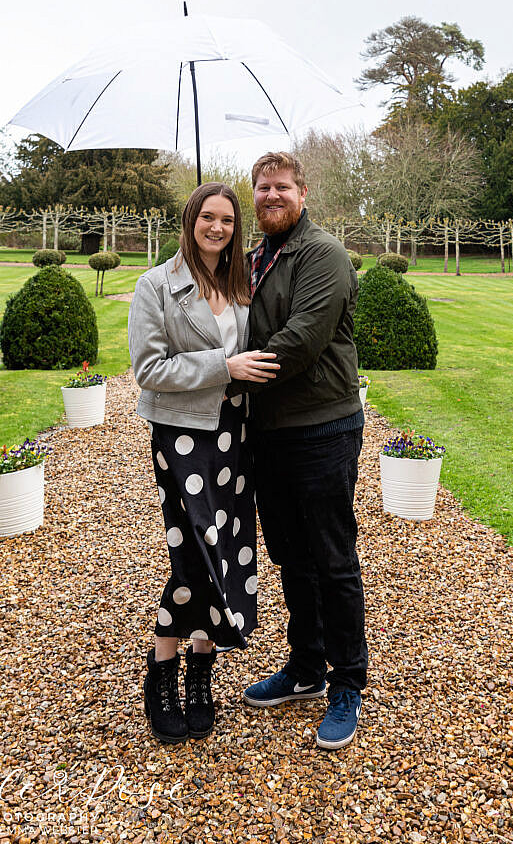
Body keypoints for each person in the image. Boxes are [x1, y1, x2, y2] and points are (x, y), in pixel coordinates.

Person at [128, 182, 279, 744]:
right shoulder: (157, 286)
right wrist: (225, 366)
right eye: (208, 218)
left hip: (234, 436)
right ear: (190, 220)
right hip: (184, 436)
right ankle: (163, 675)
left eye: (227, 220)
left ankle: (201, 673)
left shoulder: (240, 282)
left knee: (226, 551)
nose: (218, 228)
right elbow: (149, 370)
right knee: (192, 553)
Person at [226, 151, 367, 751]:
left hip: (322, 428)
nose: (271, 196)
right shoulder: (256, 257)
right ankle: (306, 668)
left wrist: (224, 374)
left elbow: (302, 340)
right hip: (268, 432)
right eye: (262, 188)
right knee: (290, 556)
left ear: (303, 193)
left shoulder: (323, 254)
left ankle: (347, 685)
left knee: (332, 558)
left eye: (282, 187)